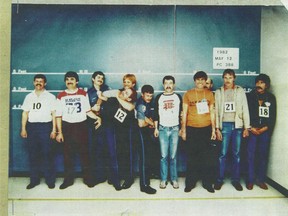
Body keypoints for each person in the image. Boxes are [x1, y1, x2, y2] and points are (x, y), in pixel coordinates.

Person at [56, 71, 101, 189]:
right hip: (67, 126)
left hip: (81, 126)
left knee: (85, 154)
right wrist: (59, 132)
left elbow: (87, 111)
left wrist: (97, 117)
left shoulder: (82, 93)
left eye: (72, 79)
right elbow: (58, 115)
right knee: (67, 155)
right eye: (67, 79)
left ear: (77, 81)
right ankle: (68, 180)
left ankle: (88, 178)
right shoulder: (61, 95)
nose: (69, 81)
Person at [214, 69, 250, 191]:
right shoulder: (219, 91)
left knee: (236, 154)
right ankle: (219, 179)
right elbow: (216, 111)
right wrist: (217, 128)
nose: (227, 80)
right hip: (224, 125)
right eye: (225, 77)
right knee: (222, 154)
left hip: (237, 126)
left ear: (234, 78)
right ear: (223, 78)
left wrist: (247, 127)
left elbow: (245, 108)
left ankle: (236, 180)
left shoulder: (240, 91)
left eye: (230, 77)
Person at [181, 71, 216, 193]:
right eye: (198, 79)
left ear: (205, 81)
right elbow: (184, 113)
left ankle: (207, 183)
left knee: (207, 158)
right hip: (192, 129)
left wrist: (213, 129)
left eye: (202, 79)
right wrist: (184, 130)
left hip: (206, 129)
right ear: (194, 81)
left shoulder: (210, 94)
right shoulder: (188, 94)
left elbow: (212, 112)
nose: (200, 82)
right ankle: (190, 183)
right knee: (192, 158)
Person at [20, 74, 57, 189]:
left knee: (47, 154)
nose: (39, 83)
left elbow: (54, 114)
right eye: (36, 81)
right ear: (33, 83)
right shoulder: (29, 97)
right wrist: (23, 128)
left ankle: (50, 180)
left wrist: (54, 129)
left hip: (46, 127)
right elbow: (25, 113)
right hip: (32, 128)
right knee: (33, 155)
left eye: (41, 81)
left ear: (45, 83)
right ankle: (34, 180)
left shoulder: (50, 96)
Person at [246, 74, 276, 190]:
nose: (259, 85)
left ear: (267, 85)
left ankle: (261, 180)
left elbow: (273, 116)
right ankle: (250, 180)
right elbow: (245, 113)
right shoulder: (249, 96)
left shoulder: (271, 98)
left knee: (262, 156)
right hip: (252, 130)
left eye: (262, 82)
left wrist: (265, 128)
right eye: (257, 82)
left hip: (264, 131)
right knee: (250, 156)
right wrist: (250, 128)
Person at [154, 75, 182, 189]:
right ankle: (164, 179)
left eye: (170, 83)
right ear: (163, 85)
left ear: (173, 84)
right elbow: (156, 114)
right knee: (163, 156)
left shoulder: (178, 97)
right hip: (162, 129)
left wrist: (181, 128)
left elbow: (181, 114)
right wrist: (156, 128)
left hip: (175, 129)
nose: (168, 85)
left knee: (173, 156)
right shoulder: (159, 97)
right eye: (166, 83)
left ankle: (174, 179)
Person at [87, 71, 110, 187]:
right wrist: (92, 108)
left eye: (102, 78)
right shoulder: (88, 92)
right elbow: (86, 109)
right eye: (98, 77)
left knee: (104, 150)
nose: (100, 79)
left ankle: (103, 175)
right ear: (93, 79)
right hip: (93, 124)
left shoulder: (107, 90)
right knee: (93, 150)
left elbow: (112, 104)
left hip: (106, 123)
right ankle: (93, 177)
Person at [115, 74, 138, 189]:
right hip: (119, 127)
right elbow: (105, 96)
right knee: (119, 152)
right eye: (124, 81)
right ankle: (121, 175)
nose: (126, 84)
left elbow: (129, 107)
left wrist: (118, 97)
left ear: (133, 84)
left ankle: (129, 178)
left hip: (129, 128)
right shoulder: (120, 91)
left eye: (128, 82)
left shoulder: (133, 93)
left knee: (128, 153)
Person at [136, 85, 157, 194]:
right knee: (143, 159)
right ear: (142, 94)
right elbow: (140, 123)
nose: (149, 97)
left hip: (147, 134)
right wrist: (151, 123)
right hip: (140, 133)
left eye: (150, 96)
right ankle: (144, 185)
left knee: (149, 157)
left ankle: (148, 177)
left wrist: (148, 121)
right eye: (147, 95)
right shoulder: (141, 105)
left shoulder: (149, 103)